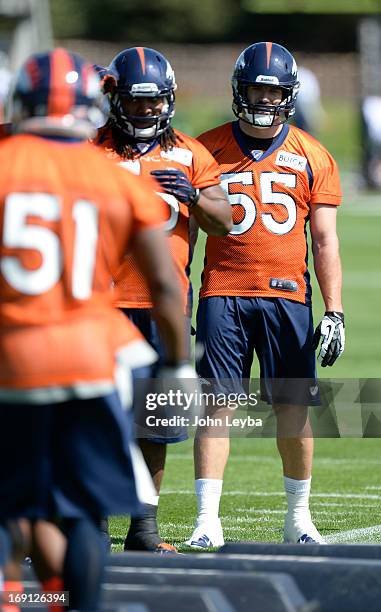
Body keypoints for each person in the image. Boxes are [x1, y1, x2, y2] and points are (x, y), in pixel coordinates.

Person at [0, 47, 194, 611]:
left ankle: (12, 599)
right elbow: (164, 286)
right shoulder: (114, 177)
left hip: (11, 355)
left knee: (10, 501)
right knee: (86, 507)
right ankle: (81, 604)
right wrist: (179, 364)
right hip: (90, 355)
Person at [186, 42, 345, 548]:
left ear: (289, 95)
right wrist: (179, 296)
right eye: (256, 88)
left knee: (293, 409)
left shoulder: (312, 153)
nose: (264, 99)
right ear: (239, 90)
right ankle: (207, 520)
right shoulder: (205, 149)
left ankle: (298, 517)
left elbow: (324, 240)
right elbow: (184, 236)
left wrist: (335, 310)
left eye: (274, 91)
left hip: (288, 297)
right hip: (223, 293)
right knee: (217, 406)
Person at [94, 46, 232, 553]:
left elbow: (226, 221)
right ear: (115, 101)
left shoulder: (192, 154)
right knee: (94, 420)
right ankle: (88, 525)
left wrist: (195, 197)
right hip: (97, 308)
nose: (147, 111)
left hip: (163, 310)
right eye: (135, 102)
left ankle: (142, 529)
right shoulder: (89, 147)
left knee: (157, 423)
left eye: (155, 103)